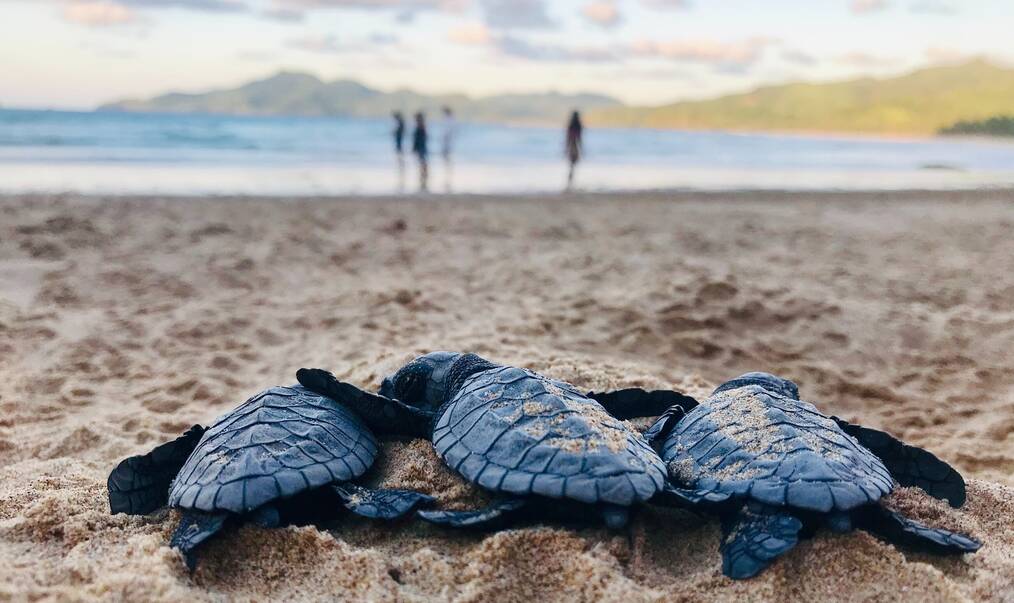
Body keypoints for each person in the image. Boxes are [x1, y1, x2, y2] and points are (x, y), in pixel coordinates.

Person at [440, 106, 456, 192]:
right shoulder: (451, 120)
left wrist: (445, 141)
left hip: (447, 144)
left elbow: (447, 133)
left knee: (447, 160)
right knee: (447, 160)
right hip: (448, 143)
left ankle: (448, 175)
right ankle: (448, 175)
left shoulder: (449, 121)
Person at [565, 110, 583, 190]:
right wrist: (581, 149)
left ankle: (570, 183)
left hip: (571, 147)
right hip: (575, 147)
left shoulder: (570, 126)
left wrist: (566, 149)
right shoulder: (578, 126)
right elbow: (579, 139)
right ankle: (570, 183)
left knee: (572, 166)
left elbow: (568, 138)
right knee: (572, 166)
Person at [412, 112, 429, 192]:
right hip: (422, 147)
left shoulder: (420, 126)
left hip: (421, 147)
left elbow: (418, 139)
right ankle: (423, 176)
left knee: (422, 162)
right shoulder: (422, 126)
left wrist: (415, 148)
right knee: (423, 162)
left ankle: (423, 177)